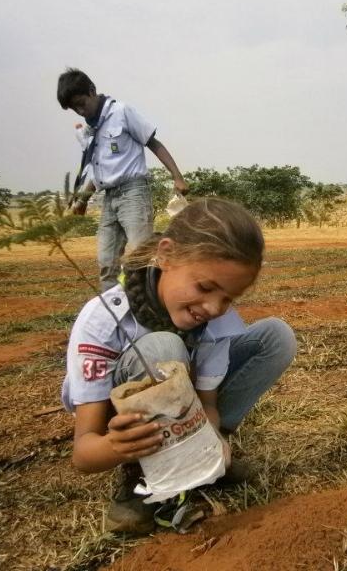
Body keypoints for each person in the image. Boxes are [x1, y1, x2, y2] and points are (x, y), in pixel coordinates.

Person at [61, 198, 297, 534]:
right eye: (205, 287)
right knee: (164, 347)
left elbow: (208, 404)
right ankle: (142, 474)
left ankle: (202, 458)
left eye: (228, 298)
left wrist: (211, 442)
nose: (213, 307)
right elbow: (84, 454)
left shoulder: (217, 320)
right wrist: (116, 446)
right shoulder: (104, 321)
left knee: (276, 336)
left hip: (188, 413)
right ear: (167, 255)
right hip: (127, 427)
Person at [57, 68, 189, 290]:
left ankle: (151, 303)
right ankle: (112, 307)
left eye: (81, 103)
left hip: (133, 194)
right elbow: (100, 172)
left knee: (141, 257)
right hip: (109, 198)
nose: (80, 111)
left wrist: (177, 177)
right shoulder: (92, 128)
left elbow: (153, 143)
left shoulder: (121, 112)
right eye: (74, 109)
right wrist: (83, 200)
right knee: (106, 262)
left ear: (92, 91)